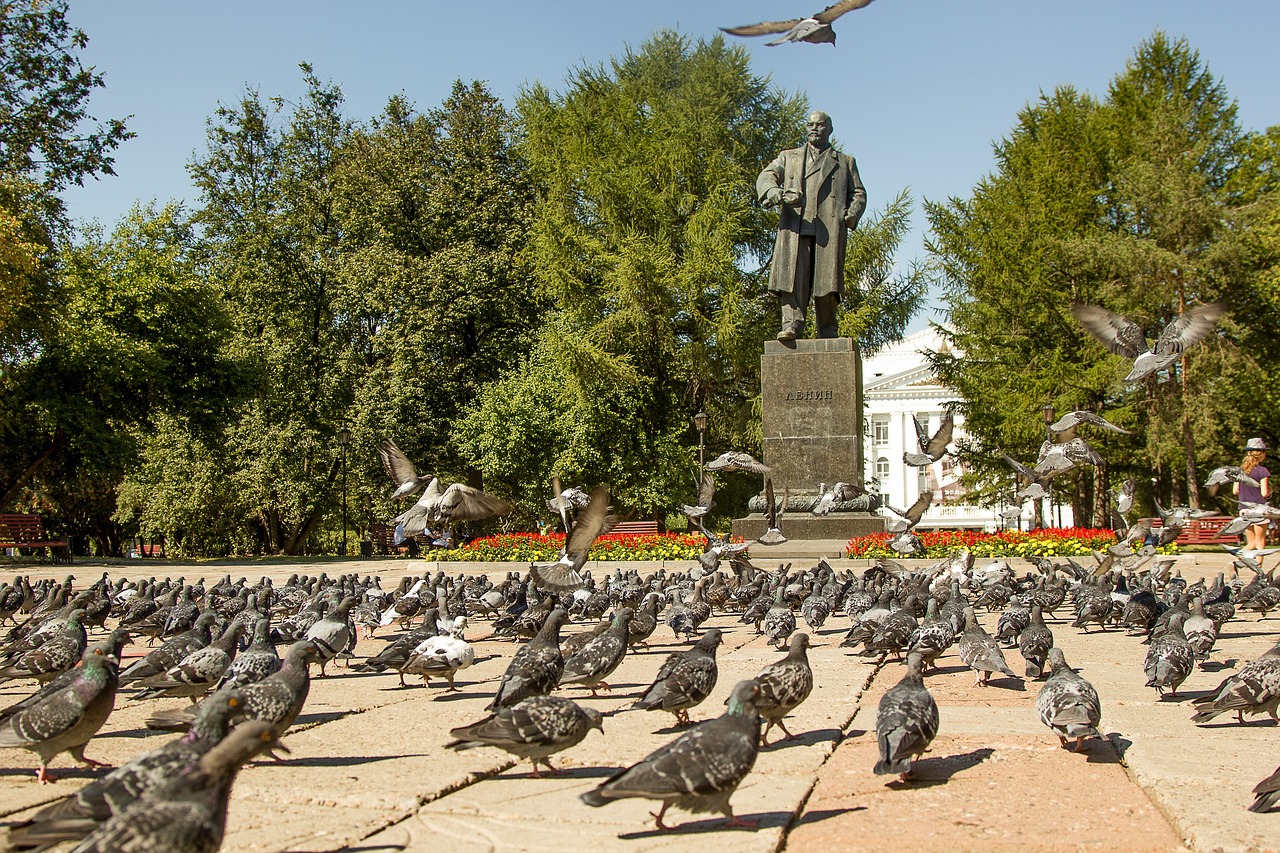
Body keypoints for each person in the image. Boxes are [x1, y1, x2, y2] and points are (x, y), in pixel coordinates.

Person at [756, 110, 867, 341]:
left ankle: (827, 329)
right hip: (796, 227)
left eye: (820, 125)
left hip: (829, 229)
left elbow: (858, 193)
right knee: (792, 278)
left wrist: (851, 214)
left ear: (830, 129)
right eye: (810, 124)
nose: (814, 128)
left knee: (827, 282)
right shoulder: (789, 157)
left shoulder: (845, 162)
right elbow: (766, 176)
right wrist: (776, 193)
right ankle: (792, 324)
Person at [1234, 437, 1271, 549]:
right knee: (1260, 543)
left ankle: (1236, 561)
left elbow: (1235, 491)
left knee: (1251, 543)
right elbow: (1264, 493)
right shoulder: (1262, 471)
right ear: (1261, 454)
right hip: (1258, 509)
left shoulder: (1239, 471)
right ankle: (1258, 566)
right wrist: (1270, 491)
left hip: (1244, 509)